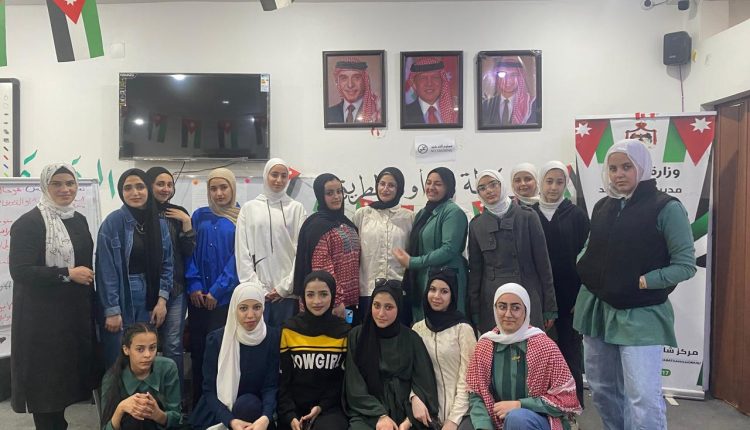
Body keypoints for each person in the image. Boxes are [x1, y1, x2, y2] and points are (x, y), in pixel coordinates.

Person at [575, 139, 696, 430]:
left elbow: (685, 265)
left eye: (627, 167)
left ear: (642, 167)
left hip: (641, 314)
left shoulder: (666, 207)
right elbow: (590, 247)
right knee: (602, 390)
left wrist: (645, 281)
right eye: (613, 168)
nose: (619, 174)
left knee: (642, 397)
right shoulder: (603, 206)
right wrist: (584, 264)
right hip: (597, 310)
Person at [9, 163, 99, 430]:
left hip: (72, 319)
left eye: (70, 183)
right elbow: (20, 271)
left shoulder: (78, 220)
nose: (65, 189)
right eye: (57, 183)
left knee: (68, 384)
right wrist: (67, 273)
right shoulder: (28, 223)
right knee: (47, 391)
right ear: (44, 186)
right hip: (42, 323)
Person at [466, 283, 581, 430]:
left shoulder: (544, 346)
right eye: (502, 307)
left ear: (526, 311)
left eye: (515, 308)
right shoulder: (485, 345)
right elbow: (477, 394)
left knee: (517, 419)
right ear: (495, 309)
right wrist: (483, 426)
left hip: (539, 420)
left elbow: (565, 398)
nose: (508, 314)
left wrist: (520, 405)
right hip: (496, 419)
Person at [97, 168, 173, 369]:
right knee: (118, 356)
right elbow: (106, 271)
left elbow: (167, 264)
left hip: (150, 296)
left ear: (148, 189)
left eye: (140, 186)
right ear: (121, 192)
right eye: (128, 188)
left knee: (144, 355)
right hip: (122, 294)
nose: (135, 192)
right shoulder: (112, 223)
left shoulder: (159, 224)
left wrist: (162, 300)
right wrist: (112, 310)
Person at [468, 170, 556, 334]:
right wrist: (475, 311)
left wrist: (549, 307)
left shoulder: (527, 216)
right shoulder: (476, 225)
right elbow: (475, 272)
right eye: (482, 188)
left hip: (527, 294)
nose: (489, 191)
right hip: (492, 300)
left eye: (493, 185)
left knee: (530, 345)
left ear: (502, 185)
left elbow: (544, 265)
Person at [531, 161, 589, 407]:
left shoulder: (576, 215)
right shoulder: (529, 214)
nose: (553, 187)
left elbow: (588, 257)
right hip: (537, 296)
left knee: (569, 353)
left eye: (559, 182)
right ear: (541, 182)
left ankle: (573, 408)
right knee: (537, 355)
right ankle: (541, 408)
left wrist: (581, 296)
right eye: (549, 181)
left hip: (569, 297)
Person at [344, 280, 439, 430]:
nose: (381, 314)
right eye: (376, 306)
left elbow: (424, 382)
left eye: (388, 307)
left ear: (398, 308)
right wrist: (380, 416)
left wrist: (409, 420)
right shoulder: (357, 336)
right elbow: (353, 384)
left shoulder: (411, 339)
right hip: (368, 411)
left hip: (406, 410)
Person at [185, 167, 242, 406]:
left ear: (232, 188)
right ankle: (199, 406)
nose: (219, 193)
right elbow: (189, 252)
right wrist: (194, 284)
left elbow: (239, 258)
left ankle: (221, 406)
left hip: (224, 300)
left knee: (221, 353)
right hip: (197, 299)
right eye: (213, 188)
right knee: (198, 352)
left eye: (223, 187)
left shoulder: (242, 217)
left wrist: (217, 290)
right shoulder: (199, 216)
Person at [190, 282, 280, 430]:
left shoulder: (272, 337)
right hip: (220, 410)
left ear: (263, 308)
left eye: (257, 307)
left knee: (248, 405)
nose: (250, 315)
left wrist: (265, 417)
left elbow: (270, 386)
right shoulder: (217, 340)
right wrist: (230, 421)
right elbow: (209, 390)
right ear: (234, 309)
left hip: (256, 410)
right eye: (243, 308)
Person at [236, 158, 307, 328]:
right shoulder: (249, 208)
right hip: (256, 294)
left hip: (287, 295)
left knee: (284, 339)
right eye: (274, 175)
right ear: (266, 175)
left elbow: (302, 251)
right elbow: (242, 250)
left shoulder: (296, 209)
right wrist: (257, 288)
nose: (279, 180)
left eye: (284, 176)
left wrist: (285, 287)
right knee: (258, 340)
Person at [146, 166, 196, 401]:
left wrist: (186, 223)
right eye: (160, 184)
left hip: (176, 289)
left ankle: (176, 398)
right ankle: (149, 395)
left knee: (173, 344)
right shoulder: (139, 213)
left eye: (169, 184)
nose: (166, 189)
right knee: (146, 344)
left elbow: (188, 252)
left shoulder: (178, 213)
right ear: (149, 185)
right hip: (148, 291)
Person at [277, 271, 350, 430]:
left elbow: (341, 381)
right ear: (303, 297)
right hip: (293, 409)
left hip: (329, 408)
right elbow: (283, 380)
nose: (317, 301)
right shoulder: (289, 329)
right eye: (310, 295)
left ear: (333, 295)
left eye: (323, 294)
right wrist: (289, 415)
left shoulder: (343, 331)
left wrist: (322, 406)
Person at [393, 167, 468, 323]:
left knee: (448, 328)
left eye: (438, 184)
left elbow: (449, 249)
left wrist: (413, 262)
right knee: (424, 327)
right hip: (424, 278)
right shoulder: (423, 213)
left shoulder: (453, 212)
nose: (431, 187)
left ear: (448, 187)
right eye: (428, 183)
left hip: (447, 280)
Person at [412, 269, 477, 430]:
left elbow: (469, 380)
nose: (436, 296)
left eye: (444, 291)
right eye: (432, 289)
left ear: (452, 295)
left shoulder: (463, 329)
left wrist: (453, 420)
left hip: (462, 414)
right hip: (427, 413)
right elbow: (410, 373)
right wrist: (413, 398)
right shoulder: (417, 329)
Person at [293, 173, 360, 322]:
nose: (336, 197)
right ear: (320, 196)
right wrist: (337, 300)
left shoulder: (347, 223)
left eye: (339, 191)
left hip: (350, 302)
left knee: (349, 335)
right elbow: (322, 268)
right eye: (330, 193)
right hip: (328, 303)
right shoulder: (317, 226)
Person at [352, 167, 414, 316]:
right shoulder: (362, 214)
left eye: (391, 185)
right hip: (368, 289)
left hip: (399, 289)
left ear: (399, 189)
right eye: (382, 184)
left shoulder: (409, 217)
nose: (385, 189)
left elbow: (413, 253)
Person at [100, 323, 182, 430]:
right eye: (140, 349)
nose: (148, 355)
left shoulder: (167, 368)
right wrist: (121, 408)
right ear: (126, 350)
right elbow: (105, 427)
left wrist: (158, 414)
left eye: (152, 348)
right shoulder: (112, 378)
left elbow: (177, 419)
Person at [481, 57, 537, 127]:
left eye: (513, 75)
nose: (508, 79)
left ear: (520, 77)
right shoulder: (485, 105)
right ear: (496, 77)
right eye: (502, 74)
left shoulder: (531, 105)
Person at [403, 57, 458, 125]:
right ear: (414, 84)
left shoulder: (455, 113)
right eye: (423, 78)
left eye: (435, 77)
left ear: (442, 82)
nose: (429, 83)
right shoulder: (404, 114)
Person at [326, 57, 381, 123]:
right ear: (338, 83)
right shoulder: (329, 113)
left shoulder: (376, 111)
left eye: (356, 78)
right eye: (344, 78)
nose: (350, 85)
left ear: (365, 81)